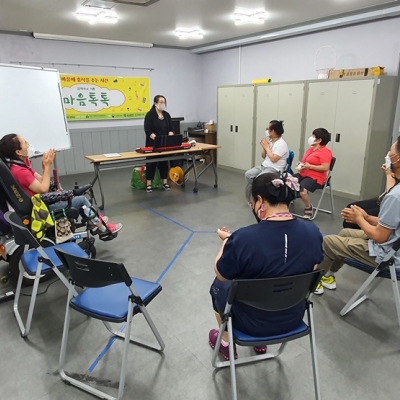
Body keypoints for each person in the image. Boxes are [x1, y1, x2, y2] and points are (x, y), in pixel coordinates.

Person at [209, 172, 324, 360]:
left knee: (218, 285)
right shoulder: (313, 232)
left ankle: (225, 342)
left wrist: (227, 242)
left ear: (260, 200)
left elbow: (221, 274)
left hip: (249, 323)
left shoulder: (244, 238)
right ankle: (259, 343)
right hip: (292, 318)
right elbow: (312, 269)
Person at [314, 137, 400, 295]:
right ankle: (328, 276)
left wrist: (359, 219)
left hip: (390, 256)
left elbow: (380, 237)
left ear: (398, 158)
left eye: (390, 151)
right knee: (345, 233)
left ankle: (312, 282)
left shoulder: (395, 196)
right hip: (393, 244)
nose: (388, 155)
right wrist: (366, 217)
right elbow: (391, 224)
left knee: (328, 241)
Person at [0, 134, 122, 235]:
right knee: (81, 200)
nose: (28, 145)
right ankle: (102, 227)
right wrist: (47, 167)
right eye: (25, 143)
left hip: (40, 204)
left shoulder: (20, 167)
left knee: (72, 197)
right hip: (41, 211)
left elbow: (42, 181)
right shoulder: (21, 172)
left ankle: (94, 222)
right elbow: (43, 189)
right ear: (18, 151)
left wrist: (44, 168)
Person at [293, 128, 333, 219]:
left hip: (316, 177)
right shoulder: (310, 150)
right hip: (303, 174)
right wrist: (301, 164)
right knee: (288, 181)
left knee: (302, 190)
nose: (311, 138)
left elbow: (325, 167)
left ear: (319, 140)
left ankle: (308, 207)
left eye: (313, 136)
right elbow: (307, 162)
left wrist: (310, 167)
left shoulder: (325, 152)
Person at [342, 163, 396, 229]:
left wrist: (366, 218)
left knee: (349, 222)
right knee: (350, 208)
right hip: (384, 202)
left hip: (390, 207)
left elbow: (391, 192)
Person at [245, 120, 289, 189]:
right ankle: (258, 190)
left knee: (259, 179)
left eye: (267, 129)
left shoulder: (281, 144)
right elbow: (263, 156)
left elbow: (274, 159)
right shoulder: (270, 141)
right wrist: (264, 148)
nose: (266, 131)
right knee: (248, 174)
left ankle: (260, 190)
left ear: (273, 131)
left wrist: (267, 148)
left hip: (275, 169)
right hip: (264, 166)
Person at [144, 95, 174, 193]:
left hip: (164, 144)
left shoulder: (167, 115)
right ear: (155, 103)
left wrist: (169, 136)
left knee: (163, 162)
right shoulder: (150, 115)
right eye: (161, 102)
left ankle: (165, 182)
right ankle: (149, 184)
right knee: (151, 163)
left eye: (164, 102)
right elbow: (148, 130)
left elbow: (171, 129)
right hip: (152, 143)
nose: (163, 104)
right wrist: (157, 139)